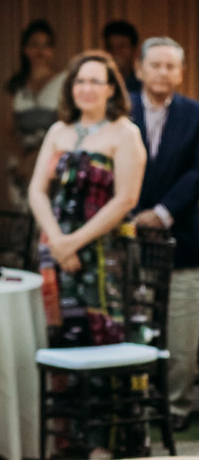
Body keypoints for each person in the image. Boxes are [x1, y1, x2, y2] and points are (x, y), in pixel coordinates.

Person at [28, 50, 145, 457]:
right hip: (55, 256)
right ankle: (68, 439)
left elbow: (126, 199)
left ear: (112, 88)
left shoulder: (123, 132)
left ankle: (103, 443)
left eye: (96, 81)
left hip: (104, 258)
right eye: (80, 81)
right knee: (63, 340)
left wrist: (73, 243)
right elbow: (36, 191)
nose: (87, 88)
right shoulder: (59, 131)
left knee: (102, 343)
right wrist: (56, 240)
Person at [129, 37, 199, 432]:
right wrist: (131, 212)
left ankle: (175, 408)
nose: (163, 73)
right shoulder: (119, 110)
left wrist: (162, 212)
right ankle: (135, 404)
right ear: (139, 69)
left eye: (171, 66)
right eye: (155, 65)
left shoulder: (195, 114)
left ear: (181, 73)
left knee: (183, 330)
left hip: (183, 237)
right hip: (127, 236)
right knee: (132, 324)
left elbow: (196, 172)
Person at [4, 20, 67, 209]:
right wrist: (24, 159)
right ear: (25, 49)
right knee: (23, 214)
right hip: (20, 160)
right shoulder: (14, 85)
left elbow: (66, 122)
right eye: (34, 45)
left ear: (52, 49)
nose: (40, 51)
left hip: (53, 157)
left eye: (46, 45)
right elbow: (5, 128)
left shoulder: (63, 82)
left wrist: (40, 156)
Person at [103, 19, 142, 96]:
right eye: (110, 47)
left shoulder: (144, 85)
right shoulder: (100, 83)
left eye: (122, 47)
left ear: (135, 50)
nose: (115, 52)